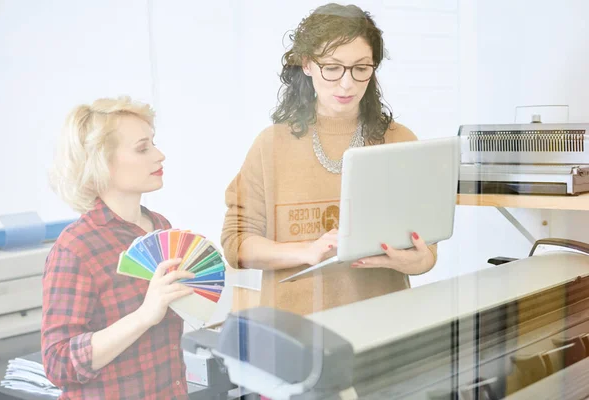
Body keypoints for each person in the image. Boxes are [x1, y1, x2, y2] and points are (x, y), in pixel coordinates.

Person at [221, 3, 438, 316]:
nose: (347, 84)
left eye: (361, 68)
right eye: (332, 68)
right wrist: (306, 252)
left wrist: (416, 261)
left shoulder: (399, 140)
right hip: (293, 334)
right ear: (307, 64)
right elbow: (236, 245)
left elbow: (427, 251)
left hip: (383, 327)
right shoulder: (270, 146)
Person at [42, 96, 194, 399]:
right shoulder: (76, 248)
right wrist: (143, 315)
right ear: (102, 163)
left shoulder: (161, 226)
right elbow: (58, 363)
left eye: (153, 143)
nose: (160, 155)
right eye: (142, 148)